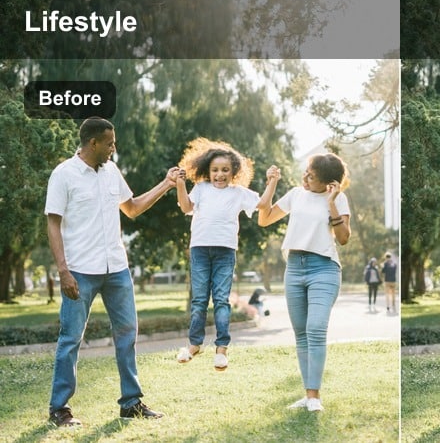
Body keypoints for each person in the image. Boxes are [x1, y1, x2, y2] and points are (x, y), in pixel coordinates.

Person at [44, 117, 172, 426]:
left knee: (127, 334)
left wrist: (167, 184)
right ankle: (59, 408)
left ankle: (131, 403)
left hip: (116, 268)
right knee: (71, 338)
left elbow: (132, 208)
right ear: (93, 143)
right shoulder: (64, 174)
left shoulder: (112, 171)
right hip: (79, 270)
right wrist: (63, 271)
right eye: (110, 143)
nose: (114, 147)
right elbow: (53, 223)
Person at [258, 153, 351, 413]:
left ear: (328, 183)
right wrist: (272, 183)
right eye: (306, 172)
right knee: (301, 334)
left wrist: (331, 203)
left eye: (312, 176)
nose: (306, 177)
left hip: (324, 268)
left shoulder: (339, 198)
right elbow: (264, 219)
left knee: (316, 328)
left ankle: (314, 398)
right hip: (294, 268)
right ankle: (309, 395)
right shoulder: (296, 194)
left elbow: (344, 238)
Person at [173, 138, 277, 371]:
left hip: (225, 252)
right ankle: (194, 345)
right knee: (199, 300)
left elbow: (262, 204)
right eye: (215, 170)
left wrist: (272, 181)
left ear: (234, 172)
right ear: (207, 171)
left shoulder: (238, 193)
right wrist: (180, 184)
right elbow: (186, 207)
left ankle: (221, 349)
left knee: (221, 299)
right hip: (200, 249)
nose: (220, 175)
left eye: (225, 170)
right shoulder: (201, 188)